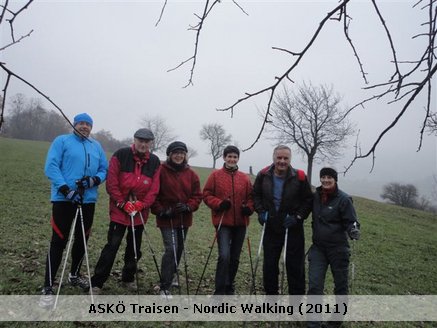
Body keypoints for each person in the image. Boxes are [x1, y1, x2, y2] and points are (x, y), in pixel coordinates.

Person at [40, 113, 108, 306]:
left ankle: (74, 275)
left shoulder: (96, 146)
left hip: (88, 201)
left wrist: (94, 180)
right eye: (81, 123)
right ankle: (48, 285)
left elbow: (105, 169)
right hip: (64, 199)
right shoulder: (62, 141)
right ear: (74, 124)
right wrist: (65, 189)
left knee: (82, 239)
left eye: (88, 124)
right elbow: (51, 166)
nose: (84, 126)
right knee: (59, 240)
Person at [90, 128, 161, 294]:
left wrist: (141, 205)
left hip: (140, 213)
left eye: (147, 141)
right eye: (140, 141)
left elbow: (154, 189)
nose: (143, 144)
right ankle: (97, 282)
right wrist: (122, 203)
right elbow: (112, 182)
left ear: (150, 143)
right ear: (134, 140)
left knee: (134, 248)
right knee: (112, 246)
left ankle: (128, 278)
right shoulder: (121, 154)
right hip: (119, 211)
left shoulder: (155, 162)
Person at [252, 144, 313, 295]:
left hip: (292, 227)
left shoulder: (299, 177)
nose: (282, 161)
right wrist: (260, 212)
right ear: (273, 158)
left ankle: (296, 303)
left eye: (286, 158)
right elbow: (256, 195)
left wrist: (297, 217)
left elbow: (308, 200)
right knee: (270, 265)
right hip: (271, 226)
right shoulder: (263, 174)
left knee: (295, 266)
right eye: (279, 157)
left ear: (290, 159)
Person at [307, 167, 360, 328]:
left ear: (335, 179)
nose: (326, 180)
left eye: (329, 177)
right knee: (315, 284)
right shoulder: (316, 197)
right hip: (318, 248)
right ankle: (313, 323)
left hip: (338, 249)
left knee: (341, 286)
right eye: (323, 177)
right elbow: (302, 208)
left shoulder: (344, 199)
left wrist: (353, 230)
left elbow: (352, 221)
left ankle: (335, 321)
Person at [151, 141, 202, 298]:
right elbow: (153, 193)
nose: (179, 155)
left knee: (179, 249)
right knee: (171, 249)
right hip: (166, 218)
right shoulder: (160, 170)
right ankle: (164, 286)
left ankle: (172, 275)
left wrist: (189, 206)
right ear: (169, 155)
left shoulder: (191, 174)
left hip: (183, 218)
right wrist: (161, 210)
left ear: (185, 155)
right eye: (175, 153)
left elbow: (197, 195)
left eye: (182, 153)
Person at [203, 145, 254, 295]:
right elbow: (206, 195)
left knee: (235, 258)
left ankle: (229, 285)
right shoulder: (215, 176)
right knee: (224, 256)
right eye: (229, 156)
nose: (232, 159)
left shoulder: (244, 178)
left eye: (235, 157)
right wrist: (219, 204)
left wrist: (249, 208)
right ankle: (219, 290)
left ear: (238, 159)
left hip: (240, 223)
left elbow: (251, 198)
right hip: (223, 222)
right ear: (224, 158)